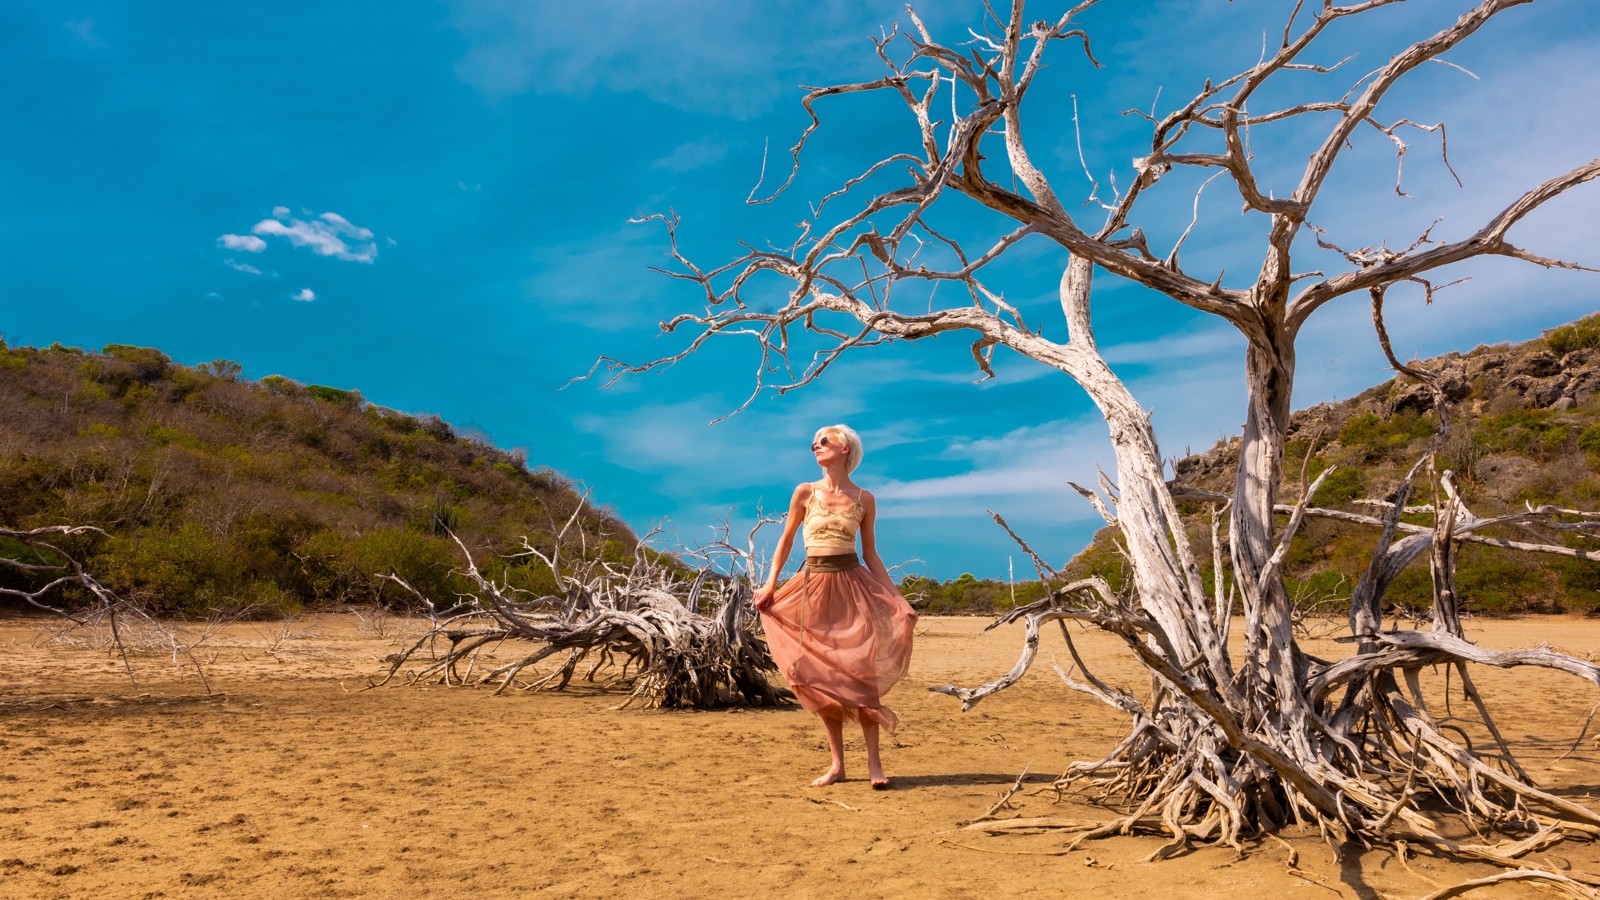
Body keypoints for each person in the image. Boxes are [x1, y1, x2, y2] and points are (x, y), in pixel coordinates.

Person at [753, 424, 918, 789]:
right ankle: (837, 764)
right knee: (822, 680)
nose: (816, 445)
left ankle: (875, 765)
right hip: (812, 587)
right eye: (813, 442)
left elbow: (871, 554)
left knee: (861, 676)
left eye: (824, 441)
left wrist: (897, 598)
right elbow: (785, 542)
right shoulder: (804, 492)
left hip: (853, 587)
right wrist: (770, 584)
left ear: (845, 448)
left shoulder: (864, 499)